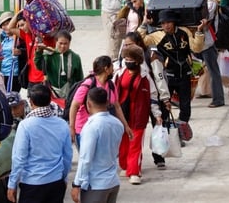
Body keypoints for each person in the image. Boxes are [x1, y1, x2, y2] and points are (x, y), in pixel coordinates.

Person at [7, 84, 72, 203]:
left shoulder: (25, 125)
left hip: (32, 184)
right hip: (56, 182)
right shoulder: (62, 124)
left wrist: (12, 184)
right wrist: (63, 178)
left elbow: (19, 158)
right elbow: (67, 156)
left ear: (31, 102)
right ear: (49, 100)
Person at [138, 10, 205, 125]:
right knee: (164, 106)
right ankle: (164, 130)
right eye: (163, 23)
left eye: (168, 22)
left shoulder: (184, 32)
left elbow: (197, 48)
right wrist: (144, 24)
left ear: (174, 22)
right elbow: (139, 40)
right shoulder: (157, 35)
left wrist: (199, 32)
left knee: (185, 107)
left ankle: (182, 130)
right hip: (167, 77)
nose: (166, 25)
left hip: (185, 75)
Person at [112, 45, 161, 185]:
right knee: (123, 143)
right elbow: (113, 94)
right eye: (126, 58)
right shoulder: (119, 74)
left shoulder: (145, 77)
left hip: (139, 115)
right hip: (122, 115)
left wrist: (156, 114)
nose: (128, 61)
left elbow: (152, 96)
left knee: (135, 144)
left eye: (131, 59)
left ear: (138, 60)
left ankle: (134, 172)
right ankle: (125, 165)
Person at [71, 87, 124, 203]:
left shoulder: (91, 127)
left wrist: (77, 184)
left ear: (88, 104)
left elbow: (85, 159)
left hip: (96, 185)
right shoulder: (118, 124)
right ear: (107, 102)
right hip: (113, 182)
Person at [68, 56, 133, 148]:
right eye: (112, 67)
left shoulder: (111, 85)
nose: (113, 69)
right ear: (106, 68)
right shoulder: (87, 85)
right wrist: (72, 128)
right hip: (83, 130)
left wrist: (126, 126)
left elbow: (117, 106)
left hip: (103, 130)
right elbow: (74, 106)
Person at [35, 30, 84, 98]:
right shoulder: (49, 55)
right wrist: (39, 52)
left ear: (69, 43)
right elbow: (39, 67)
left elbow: (79, 78)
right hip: (51, 92)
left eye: (65, 43)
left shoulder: (75, 57)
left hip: (69, 93)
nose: (63, 46)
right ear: (56, 42)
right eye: (60, 43)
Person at [0, 12, 21, 92]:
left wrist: (20, 52)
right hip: (2, 73)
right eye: (3, 24)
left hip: (15, 73)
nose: (6, 27)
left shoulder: (19, 37)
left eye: (8, 23)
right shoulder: (1, 38)